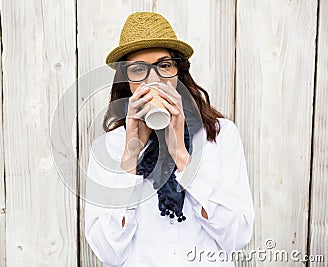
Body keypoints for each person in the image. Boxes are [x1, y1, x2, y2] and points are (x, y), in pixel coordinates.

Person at [84, 12, 254, 266]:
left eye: (164, 65)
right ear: (126, 79)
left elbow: (237, 236)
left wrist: (182, 158)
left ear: (178, 72)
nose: (154, 79)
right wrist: (131, 156)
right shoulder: (109, 146)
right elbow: (108, 252)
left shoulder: (220, 136)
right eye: (138, 69)